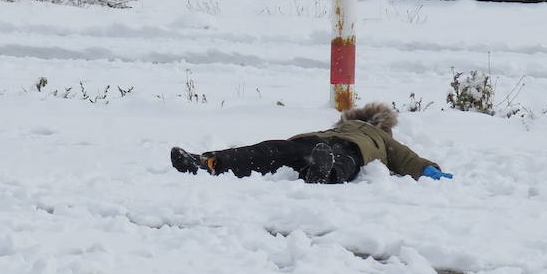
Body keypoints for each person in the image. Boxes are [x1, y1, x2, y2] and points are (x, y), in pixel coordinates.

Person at [170, 101, 452, 183]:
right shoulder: (333, 128)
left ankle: (322, 174)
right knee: (271, 150)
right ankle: (208, 161)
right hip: (314, 143)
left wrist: (429, 170)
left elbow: (406, 158)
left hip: (348, 150)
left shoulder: (379, 138)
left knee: (343, 160)